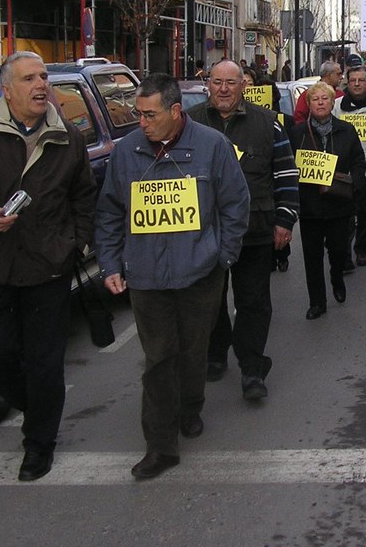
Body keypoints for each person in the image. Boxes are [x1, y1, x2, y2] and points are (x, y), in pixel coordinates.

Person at [0, 52, 96, 482]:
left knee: (45, 362)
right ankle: (38, 406)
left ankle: (39, 443)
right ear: (7, 90)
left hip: (49, 268)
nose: (41, 85)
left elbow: (84, 196)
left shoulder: (67, 137)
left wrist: (76, 243)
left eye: (43, 77)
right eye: (29, 79)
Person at [94, 74, 249, 479]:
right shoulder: (126, 152)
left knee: (193, 351)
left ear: (175, 111)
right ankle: (161, 446)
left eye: (149, 115)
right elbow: (110, 212)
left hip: (200, 274)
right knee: (159, 358)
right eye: (138, 114)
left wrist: (222, 256)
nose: (141, 122)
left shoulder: (212, 146)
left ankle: (190, 406)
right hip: (146, 277)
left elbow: (235, 204)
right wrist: (110, 264)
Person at [187, 60, 299, 400]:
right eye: (217, 81)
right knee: (209, 301)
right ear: (208, 84)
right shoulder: (188, 122)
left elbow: (285, 173)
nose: (223, 89)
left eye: (231, 83)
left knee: (253, 301)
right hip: (204, 233)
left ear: (243, 86)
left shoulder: (268, 123)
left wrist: (284, 220)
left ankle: (252, 368)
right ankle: (215, 352)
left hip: (255, 229)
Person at [293, 83, 366, 319]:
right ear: (309, 104)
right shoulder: (297, 133)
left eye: (325, 98)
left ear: (332, 103)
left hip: (339, 204)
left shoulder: (346, 130)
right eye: (315, 99)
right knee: (312, 256)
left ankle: (337, 277)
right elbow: (288, 165)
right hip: (309, 206)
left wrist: (354, 184)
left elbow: (358, 161)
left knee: (338, 250)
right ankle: (317, 302)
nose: (321, 103)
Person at [334, 64, 366, 266]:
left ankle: (362, 249)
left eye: (361, 80)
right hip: (344, 170)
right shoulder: (337, 106)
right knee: (344, 215)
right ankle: (343, 254)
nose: (356, 84)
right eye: (352, 80)